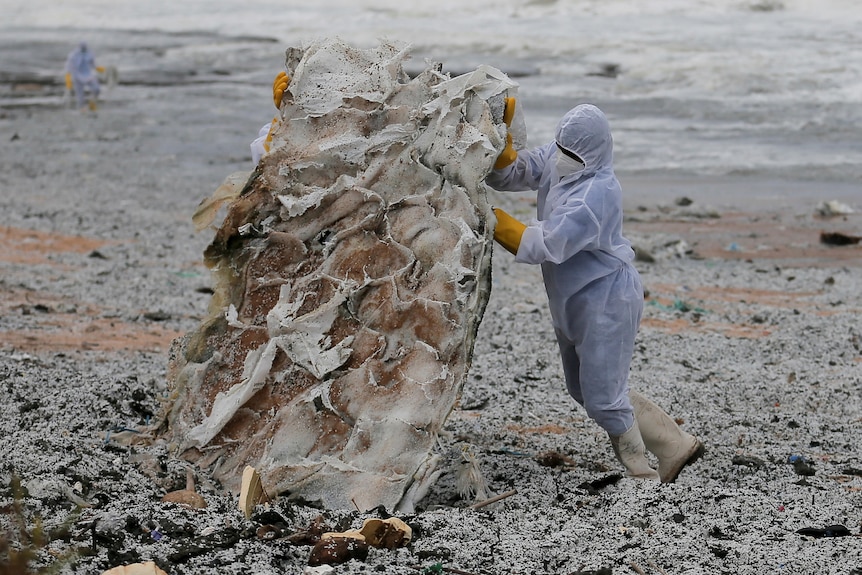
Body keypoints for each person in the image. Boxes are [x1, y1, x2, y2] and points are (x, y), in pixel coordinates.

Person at [487, 102, 704, 482]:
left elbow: (544, 244)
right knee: (585, 389)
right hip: (571, 299)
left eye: (571, 154)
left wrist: (487, 217)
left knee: (604, 399)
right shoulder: (561, 157)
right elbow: (512, 175)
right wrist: (500, 133)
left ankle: (641, 475)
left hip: (606, 301)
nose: (562, 159)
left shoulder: (597, 196)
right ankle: (675, 444)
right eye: (561, 149)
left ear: (593, 152)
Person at [65, 42, 103, 111]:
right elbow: (68, 68)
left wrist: (103, 69)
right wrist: (68, 80)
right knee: (80, 96)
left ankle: (92, 103)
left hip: (88, 75)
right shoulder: (73, 55)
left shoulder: (89, 54)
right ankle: (82, 110)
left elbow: (94, 65)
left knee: (97, 89)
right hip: (77, 76)